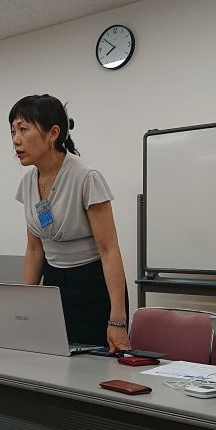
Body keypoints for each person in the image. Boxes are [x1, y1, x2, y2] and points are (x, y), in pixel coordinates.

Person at [10, 94, 131, 352]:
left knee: (94, 367)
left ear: (53, 133)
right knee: (51, 361)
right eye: (13, 131)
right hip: (54, 285)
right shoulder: (27, 183)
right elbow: (35, 249)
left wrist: (118, 320)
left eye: (23, 129)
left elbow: (109, 251)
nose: (16, 140)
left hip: (93, 287)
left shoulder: (86, 177)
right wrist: (24, 308)